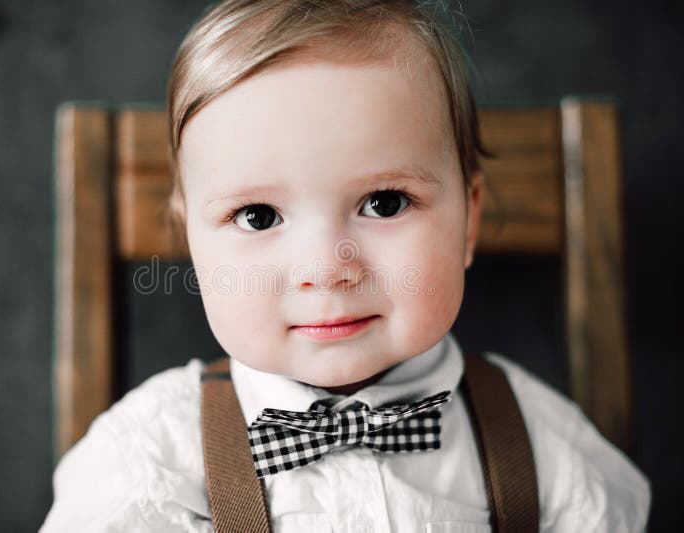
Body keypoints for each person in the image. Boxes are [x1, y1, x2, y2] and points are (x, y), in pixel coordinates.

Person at [40, 1, 651, 531]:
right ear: (191, 240)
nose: (327, 270)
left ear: (469, 218)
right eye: (257, 216)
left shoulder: (540, 446)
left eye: (383, 203)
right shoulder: (148, 462)